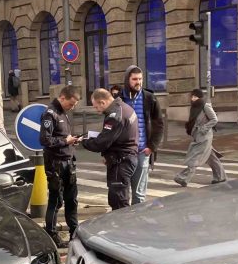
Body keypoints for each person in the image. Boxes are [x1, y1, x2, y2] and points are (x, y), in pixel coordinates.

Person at [80, 88, 139, 211]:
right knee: (120, 198)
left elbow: (102, 142)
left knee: (118, 201)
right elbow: (116, 136)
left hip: (120, 161)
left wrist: (83, 142)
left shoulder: (114, 115)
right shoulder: (125, 107)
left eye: (96, 107)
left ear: (103, 102)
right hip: (127, 157)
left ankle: (121, 228)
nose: (97, 111)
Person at [40, 85, 81, 247]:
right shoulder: (50, 114)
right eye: (70, 104)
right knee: (56, 201)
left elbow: (63, 136)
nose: (72, 107)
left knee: (72, 200)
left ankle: (74, 233)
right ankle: (52, 236)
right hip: (55, 164)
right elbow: (45, 140)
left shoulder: (63, 113)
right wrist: (66, 141)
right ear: (62, 98)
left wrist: (72, 141)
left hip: (68, 162)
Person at [119, 65, 164, 205]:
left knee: (139, 194)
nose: (138, 82)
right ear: (127, 80)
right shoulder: (119, 99)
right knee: (122, 192)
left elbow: (159, 124)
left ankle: (137, 220)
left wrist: (152, 146)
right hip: (123, 153)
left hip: (142, 151)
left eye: (140, 79)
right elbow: (111, 126)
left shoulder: (149, 98)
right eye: (134, 79)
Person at [175, 89, 226, 187]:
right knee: (211, 157)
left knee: (195, 156)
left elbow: (214, 119)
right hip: (198, 136)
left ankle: (184, 178)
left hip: (204, 136)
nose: (192, 98)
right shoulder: (194, 107)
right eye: (192, 96)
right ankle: (220, 177)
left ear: (199, 97)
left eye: (195, 97)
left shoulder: (205, 106)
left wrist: (204, 128)